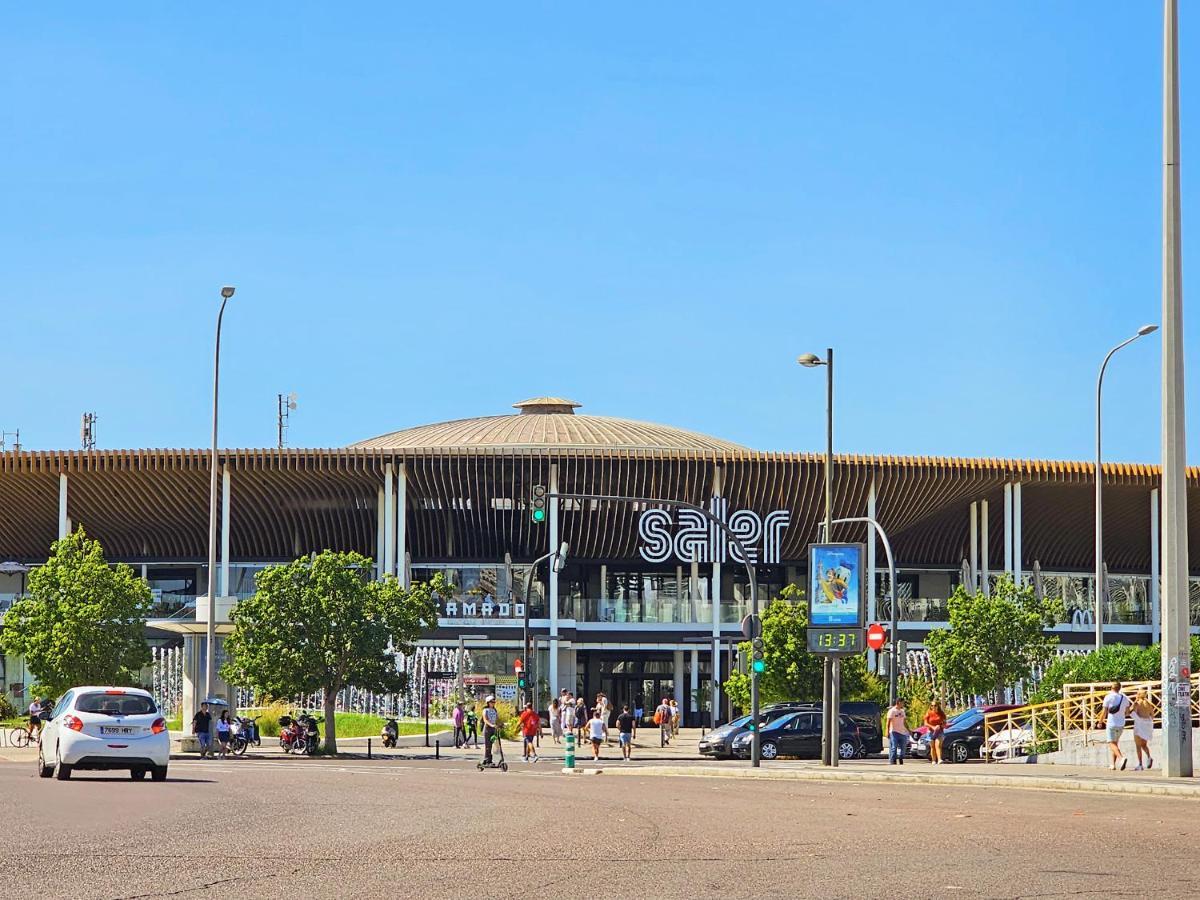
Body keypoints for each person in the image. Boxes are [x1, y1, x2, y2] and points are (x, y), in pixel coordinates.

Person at [1101, 682, 1130, 771]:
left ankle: (1121, 758)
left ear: (1111, 688)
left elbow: (1104, 712)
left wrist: (1100, 721)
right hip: (1121, 724)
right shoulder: (1125, 698)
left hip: (1111, 724)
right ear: (1119, 688)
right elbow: (1128, 712)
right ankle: (1112, 765)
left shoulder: (1108, 697)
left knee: (1111, 743)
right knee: (1115, 744)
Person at [1130, 689, 1155, 771]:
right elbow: (1152, 715)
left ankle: (1140, 764)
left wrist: (1134, 702)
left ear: (1139, 694)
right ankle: (1149, 757)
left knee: (1138, 745)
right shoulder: (1148, 704)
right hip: (1147, 724)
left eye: (1137, 693)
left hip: (1139, 725)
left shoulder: (1137, 703)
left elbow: (1131, 711)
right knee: (1144, 744)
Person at [886, 697, 910, 765]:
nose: (903, 704)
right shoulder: (892, 711)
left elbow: (904, 722)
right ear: (899, 702)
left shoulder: (902, 711)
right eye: (902, 702)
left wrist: (909, 730)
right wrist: (887, 731)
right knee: (894, 747)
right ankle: (892, 760)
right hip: (894, 732)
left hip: (902, 732)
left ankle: (901, 758)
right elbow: (888, 722)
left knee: (903, 747)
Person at [924, 701, 948, 765]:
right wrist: (933, 727)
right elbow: (925, 723)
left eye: (935, 705)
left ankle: (939, 759)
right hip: (930, 731)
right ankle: (933, 760)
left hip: (939, 731)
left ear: (938, 706)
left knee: (938, 745)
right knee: (932, 746)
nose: (933, 707)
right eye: (932, 705)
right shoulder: (928, 713)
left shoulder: (941, 714)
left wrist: (941, 726)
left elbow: (945, 723)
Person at [481, 696, 500, 766]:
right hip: (487, 729)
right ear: (488, 703)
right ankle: (487, 760)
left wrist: (500, 724)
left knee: (491, 745)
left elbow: (497, 719)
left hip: (493, 729)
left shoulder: (494, 710)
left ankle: (489, 760)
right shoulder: (485, 710)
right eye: (492, 702)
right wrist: (491, 725)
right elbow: (485, 719)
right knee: (488, 745)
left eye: (494, 702)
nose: (493, 703)